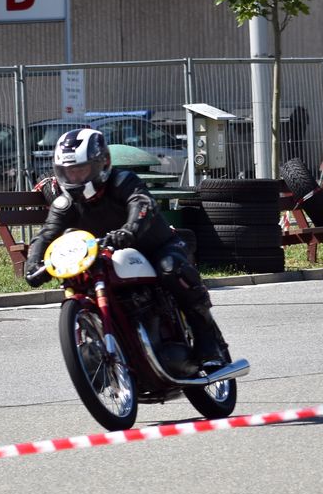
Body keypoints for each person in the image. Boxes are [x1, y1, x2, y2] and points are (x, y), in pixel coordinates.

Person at [25, 128, 223, 371]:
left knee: (172, 269)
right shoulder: (65, 203)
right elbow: (46, 234)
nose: (75, 177)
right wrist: (33, 264)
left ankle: (208, 341)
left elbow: (141, 204)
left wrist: (129, 230)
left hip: (152, 246)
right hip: (100, 255)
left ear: (102, 163)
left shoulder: (123, 182)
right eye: (69, 172)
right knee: (80, 284)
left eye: (81, 169)